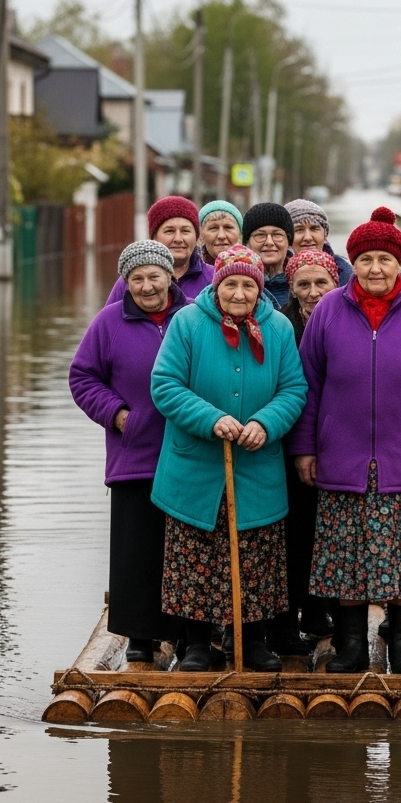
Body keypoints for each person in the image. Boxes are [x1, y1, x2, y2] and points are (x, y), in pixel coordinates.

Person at [290, 206, 401, 675]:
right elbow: (306, 386)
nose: (374, 268)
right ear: (354, 262)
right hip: (342, 459)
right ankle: (351, 648)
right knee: (346, 559)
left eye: (385, 260)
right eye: (365, 259)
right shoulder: (329, 310)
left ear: (397, 262)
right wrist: (305, 448)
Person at [150, 244, 309, 672]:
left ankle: (253, 642)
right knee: (195, 558)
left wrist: (265, 423)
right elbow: (165, 384)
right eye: (231, 284)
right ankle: (198, 645)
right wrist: (211, 418)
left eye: (248, 286)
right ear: (217, 285)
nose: (239, 294)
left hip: (256, 465)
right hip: (195, 466)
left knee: (256, 557)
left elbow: (293, 389)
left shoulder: (276, 328)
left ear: (260, 290)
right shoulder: (186, 323)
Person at [69, 241, 187, 661]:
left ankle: (188, 634)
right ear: (125, 282)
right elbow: (83, 378)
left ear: (169, 275)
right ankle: (139, 637)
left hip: (189, 455)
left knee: (186, 547)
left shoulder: (193, 317)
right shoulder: (108, 323)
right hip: (134, 454)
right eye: (136, 278)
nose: (146, 285)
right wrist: (119, 415)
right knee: (137, 548)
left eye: (154, 275)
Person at [273, 247, 341, 651]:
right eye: (304, 284)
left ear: (335, 283)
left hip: (334, 443)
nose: (313, 292)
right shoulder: (281, 326)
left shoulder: (344, 318)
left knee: (327, 531)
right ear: (292, 287)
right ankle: (288, 615)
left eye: (322, 283)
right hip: (285, 442)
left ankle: (320, 610)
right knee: (293, 533)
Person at [106, 197, 213, 305]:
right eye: (169, 231)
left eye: (185, 231)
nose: (178, 239)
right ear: (154, 237)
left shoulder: (214, 278)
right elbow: (109, 319)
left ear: (196, 236)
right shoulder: (132, 281)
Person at [241, 202, 295, 309]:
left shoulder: (302, 281)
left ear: (288, 241)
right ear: (246, 243)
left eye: (277, 235)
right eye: (260, 235)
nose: (269, 242)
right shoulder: (235, 281)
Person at [285, 198, 351, 285]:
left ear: (325, 234)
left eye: (314, 228)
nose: (308, 237)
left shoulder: (347, 272)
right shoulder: (271, 276)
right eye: (299, 230)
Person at [198, 199, 243, 265]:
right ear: (202, 234)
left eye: (228, 227)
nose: (221, 236)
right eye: (213, 228)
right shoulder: (187, 269)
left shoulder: (253, 269)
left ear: (239, 233)